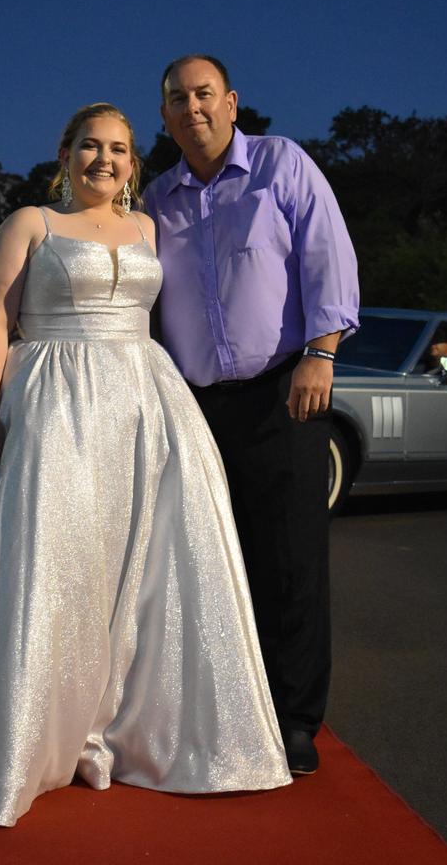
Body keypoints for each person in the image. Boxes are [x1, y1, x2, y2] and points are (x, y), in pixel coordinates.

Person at [0, 103, 291, 826]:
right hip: (53, 409)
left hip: (145, 410)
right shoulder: (29, 224)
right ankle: (24, 734)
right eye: (90, 146)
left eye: (119, 149)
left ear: (134, 164)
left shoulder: (149, 229)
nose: (104, 159)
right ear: (65, 153)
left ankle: (126, 728)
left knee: (140, 571)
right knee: (49, 567)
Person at [143, 56, 360, 776]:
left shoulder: (282, 165)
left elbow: (329, 256)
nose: (192, 108)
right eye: (178, 99)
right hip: (195, 407)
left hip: (283, 391)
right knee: (207, 561)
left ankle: (296, 720)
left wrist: (321, 353)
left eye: (204, 94)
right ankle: (225, 704)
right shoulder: (157, 202)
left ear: (232, 103)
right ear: (166, 117)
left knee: (290, 557)